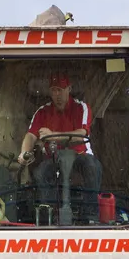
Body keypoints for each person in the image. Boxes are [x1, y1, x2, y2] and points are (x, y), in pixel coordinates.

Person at [18, 73, 103, 223]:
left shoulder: (81, 108)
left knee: (92, 166)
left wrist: (53, 135)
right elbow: (31, 135)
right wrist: (24, 152)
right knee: (40, 172)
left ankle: (90, 217)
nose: (57, 94)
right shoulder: (42, 112)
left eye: (61, 90)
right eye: (54, 90)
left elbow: (82, 134)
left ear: (69, 89)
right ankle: (49, 216)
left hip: (80, 155)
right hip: (54, 157)